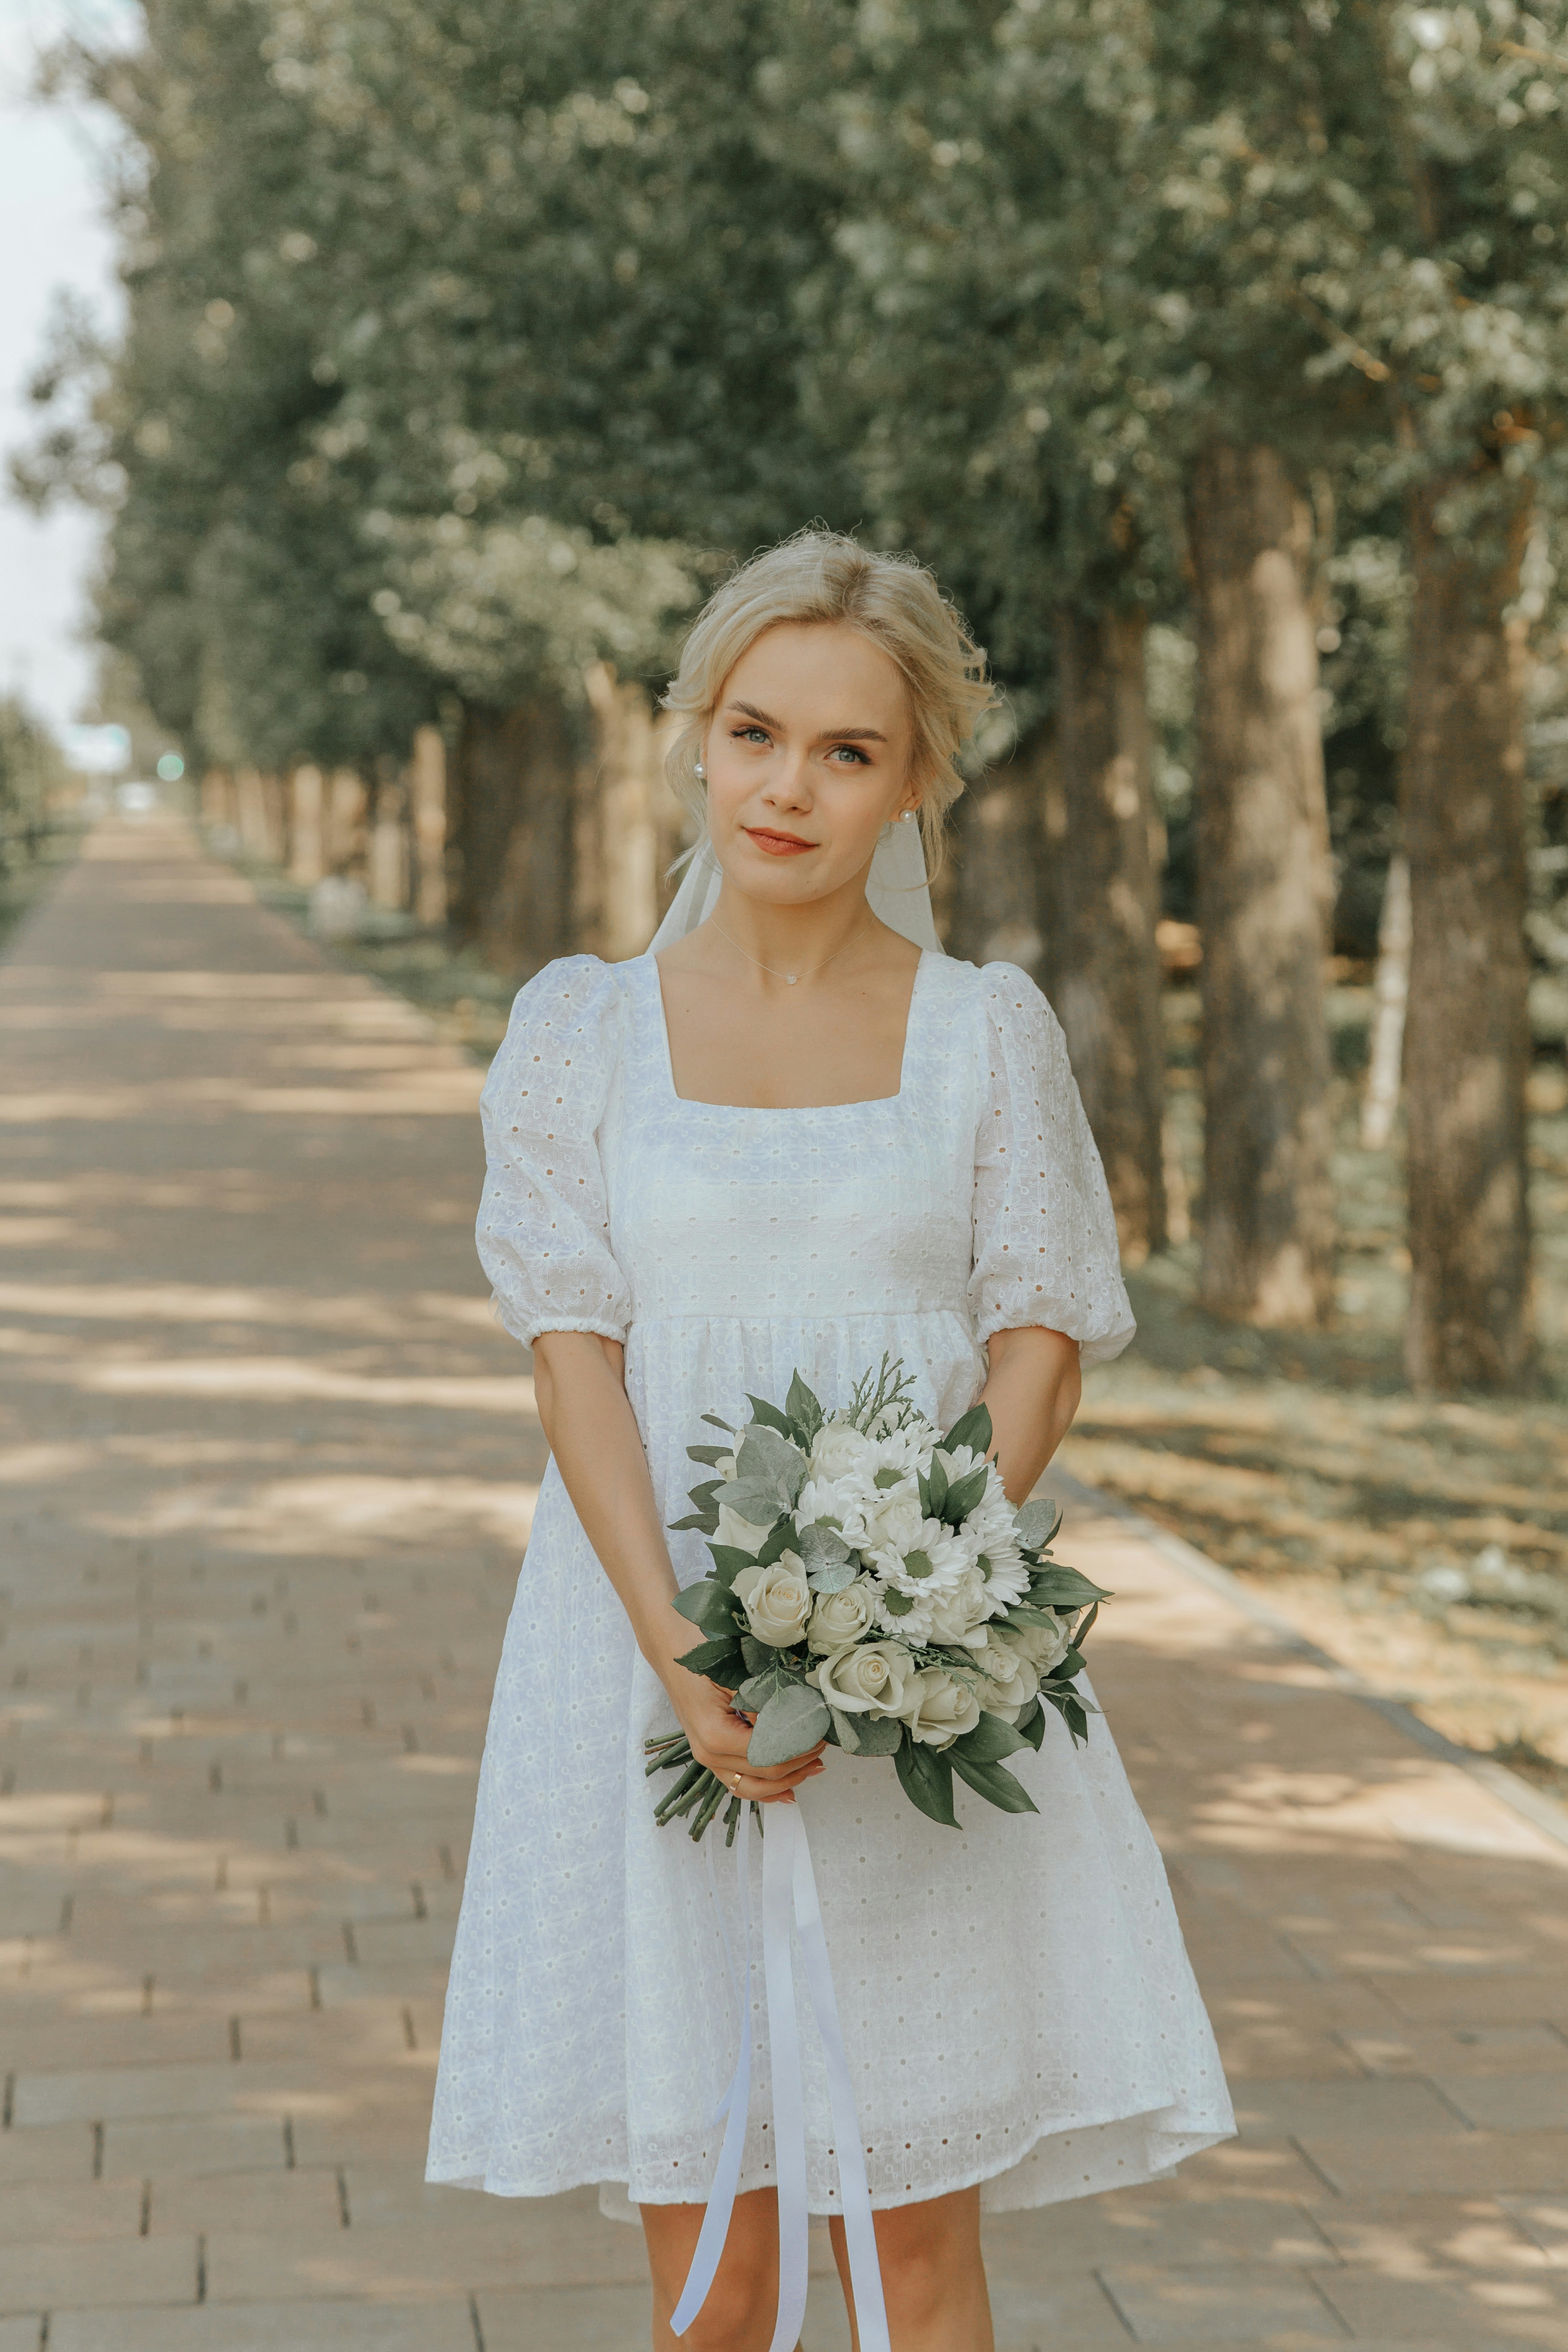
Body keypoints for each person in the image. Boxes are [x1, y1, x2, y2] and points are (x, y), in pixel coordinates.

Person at [426, 531, 1234, 2351]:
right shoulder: (581, 1036)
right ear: (696, 740)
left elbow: (1040, 1338)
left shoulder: (983, 1036)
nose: (788, 785)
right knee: (712, 2270)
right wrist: (687, 1654)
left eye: (847, 751)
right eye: (754, 731)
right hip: (644, 1666)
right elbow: (575, 1362)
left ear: (915, 778)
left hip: (913, 1681)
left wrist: (897, 1614)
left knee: (914, 2250)